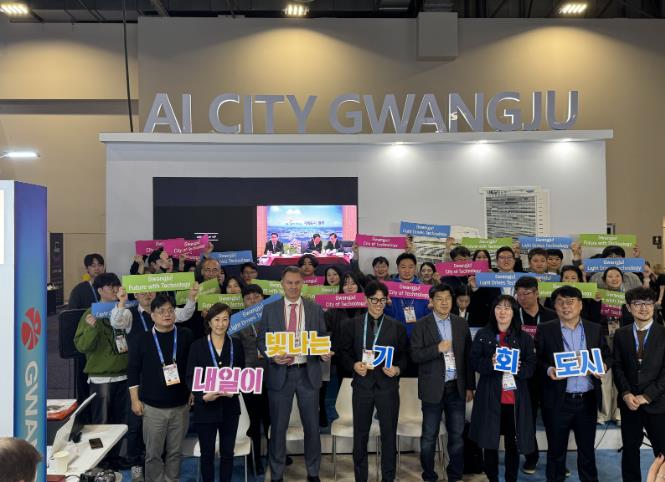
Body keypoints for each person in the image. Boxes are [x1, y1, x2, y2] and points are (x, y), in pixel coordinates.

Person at [256, 266, 333, 482]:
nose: (293, 286)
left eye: (297, 282)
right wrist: (272, 356)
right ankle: (277, 474)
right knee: (278, 428)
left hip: (308, 373)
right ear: (282, 284)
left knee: (312, 427)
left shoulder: (314, 309)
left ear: (303, 283)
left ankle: (313, 472)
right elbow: (261, 340)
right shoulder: (270, 309)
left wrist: (324, 352)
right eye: (289, 282)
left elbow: (322, 337)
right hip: (280, 374)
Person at [537, 285, 611, 482]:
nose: (565, 306)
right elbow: (537, 360)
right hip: (557, 400)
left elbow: (607, 355)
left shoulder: (594, 328)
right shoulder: (545, 329)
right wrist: (549, 370)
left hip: (587, 400)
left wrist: (604, 365)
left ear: (580, 305)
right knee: (555, 451)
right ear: (554, 306)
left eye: (570, 302)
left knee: (587, 450)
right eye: (560, 302)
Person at [125, 287, 197, 480]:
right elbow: (133, 371)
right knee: (153, 453)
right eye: (161, 311)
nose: (167, 314)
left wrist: (193, 390)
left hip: (181, 405)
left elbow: (193, 366)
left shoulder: (186, 335)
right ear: (152, 315)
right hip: (152, 407)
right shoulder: (142, 339)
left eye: (170, 310)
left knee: (175, 452)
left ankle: (172, 479)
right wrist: (134, 400)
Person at [339, 281, 408, 482]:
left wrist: (397, 369)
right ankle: (361, 478)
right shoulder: (351, 325)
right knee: (360, 435)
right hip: (362, 387)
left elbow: (406, 355)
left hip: (387, 388)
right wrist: (353, 365)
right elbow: (342, 353)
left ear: (387, 300)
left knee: (389, 435)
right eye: (374, 300)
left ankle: (388, 478)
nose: (378, 304)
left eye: (382, 300)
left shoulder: (397, 327)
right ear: (365, 299)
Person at [410, 284, 475, 482]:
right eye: (439, 298)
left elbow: (468, 358)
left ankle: (455, 475)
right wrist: (436, 349)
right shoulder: (421, 325)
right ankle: (429, 475)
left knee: (456, 436)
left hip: (457, 387)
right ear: (431, 301)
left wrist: (470, 386)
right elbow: (415, 355)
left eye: (447, 298)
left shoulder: (461, 324)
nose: (444, 302)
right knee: (429, 436)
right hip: (432, 389)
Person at [469, 295, 536, 482]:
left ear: (514, 312)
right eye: (499, 307)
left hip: (514, 399)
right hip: (490, 397)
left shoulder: (524, 337)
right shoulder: (483, 334)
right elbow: (474, 362)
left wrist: (520, 368)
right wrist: (490, 363)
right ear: (493, 311)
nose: (503, 312)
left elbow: (532, 366)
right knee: (489, 443)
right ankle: (492, 478)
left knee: (512, 444)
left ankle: (510, 478)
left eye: (507, 308)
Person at [186, 303, 245, 482]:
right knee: (207, 454)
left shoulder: (236, 344)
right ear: (209, 322)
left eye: (225, 319)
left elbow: (242, 373)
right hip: (205, 409)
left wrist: (236, 389)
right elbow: (190, 376)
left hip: (230, 408)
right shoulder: (197, 346)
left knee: (228, 453)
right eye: (216, 319)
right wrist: (203, 396)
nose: (221, 324)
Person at [613, 287, 665, 482]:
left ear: (654, 306)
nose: (644, 308)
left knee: (662, 452)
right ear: (628, 307)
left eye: (648, 303)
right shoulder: (621, 334)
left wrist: (648, 396)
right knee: (630, 450)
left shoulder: (663, 333)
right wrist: (626, 393)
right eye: (638, 303)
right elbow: (617, 366)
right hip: (630, 403)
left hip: (658, 403)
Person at [73, 273, 131, 435]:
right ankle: (102, 453)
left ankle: (116, 452)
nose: (115, 289)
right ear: (99, 290)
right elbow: (81, 346)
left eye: (117, 286)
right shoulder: (90, 314)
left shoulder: (124, 311)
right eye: (110, 286)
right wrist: (92, 329)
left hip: (124, 375)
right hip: (101, 377)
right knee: (101, 425)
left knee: (121, 424)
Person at [514, 276, 557, 475]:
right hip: (524, 375)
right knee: (527, 419)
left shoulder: (551, 315)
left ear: (537, 293)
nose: (522, 298)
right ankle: (531, 457)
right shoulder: (513, 315)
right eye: (519, 294)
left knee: (553, 420)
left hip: (549, 374)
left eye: (527, 293)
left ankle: (557, 460)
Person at [235, 284, 270, 475]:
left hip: (272, 373)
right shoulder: (238, 321)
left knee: (272, 419)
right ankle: (254, 459)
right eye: (248, 298)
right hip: (249, 376)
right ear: (243, 302)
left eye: (257, 297)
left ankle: (275, 454)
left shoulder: (273, 316)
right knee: (253, 422)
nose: (253, 301)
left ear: (263, 298)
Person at [325, 271, 366, 379]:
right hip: (342, 357)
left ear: (358, 285)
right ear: (341, 287)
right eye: (346, 284)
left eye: (353, 283)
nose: (350, 287)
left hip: (364, 355)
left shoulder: (367, 305)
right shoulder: (333, 308)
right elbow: (325, 328)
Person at [384, 252, 431, 337]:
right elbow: (385, 315)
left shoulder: (423, 289)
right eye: (403, 267)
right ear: (397, 268)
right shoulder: (389, 288)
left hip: (417, 334)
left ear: (415, 268)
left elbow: (427, 315)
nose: (407, 270)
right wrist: (388, 306)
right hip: (395, 333)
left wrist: (429, 309)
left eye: (410, 267)